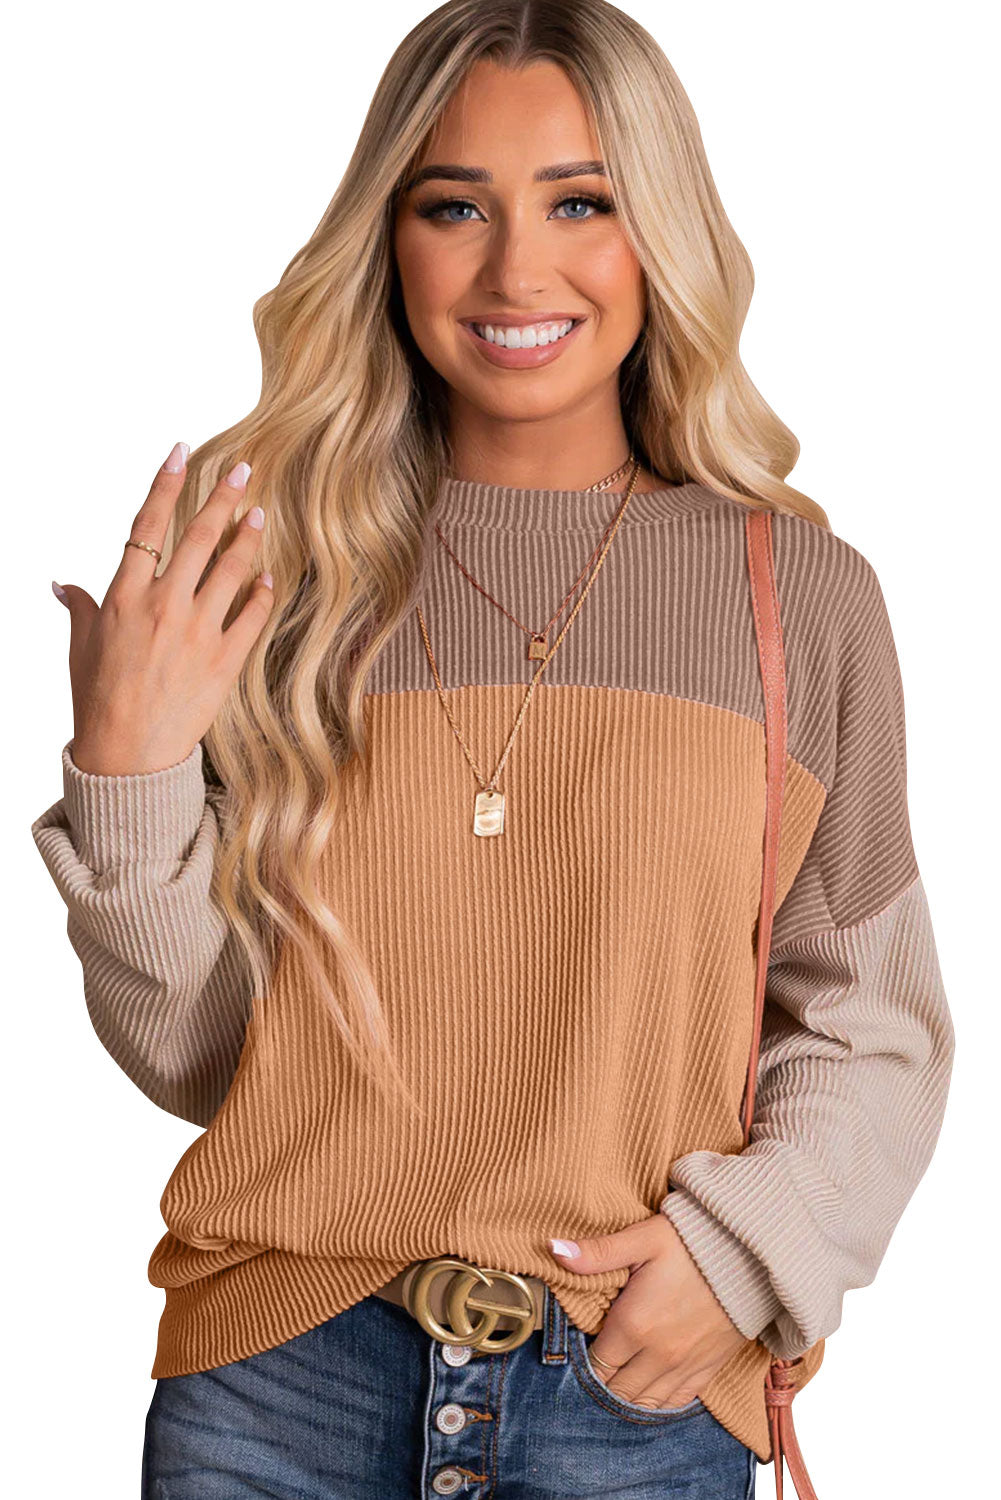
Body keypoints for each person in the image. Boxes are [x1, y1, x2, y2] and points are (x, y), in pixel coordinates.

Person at [31, 3, 955, 1497]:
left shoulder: (794, 597)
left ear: (658, 231)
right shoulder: (269, 576)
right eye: (454, 206)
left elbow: (872, 1019)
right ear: (386, 240)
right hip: (277, 1389)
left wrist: (742, 1256)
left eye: (579, 202)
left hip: (631, 1395)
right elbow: (207, 1061)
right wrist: (127, 778)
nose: (517, 271)